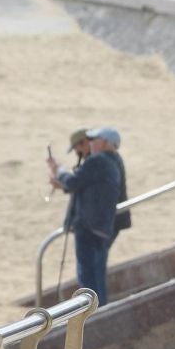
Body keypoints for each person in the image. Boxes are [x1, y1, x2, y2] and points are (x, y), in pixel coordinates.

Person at [47, 128, 128, 306]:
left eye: (94, 139)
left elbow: (74, 181)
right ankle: (101, 312)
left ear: (105, 142)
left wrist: (58, 170)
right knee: (97, 273)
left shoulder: (98, 161)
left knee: (89, 277)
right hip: (102, 226)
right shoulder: (111, 160)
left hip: (90, 226)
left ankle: (94, 315)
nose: (91, 143)